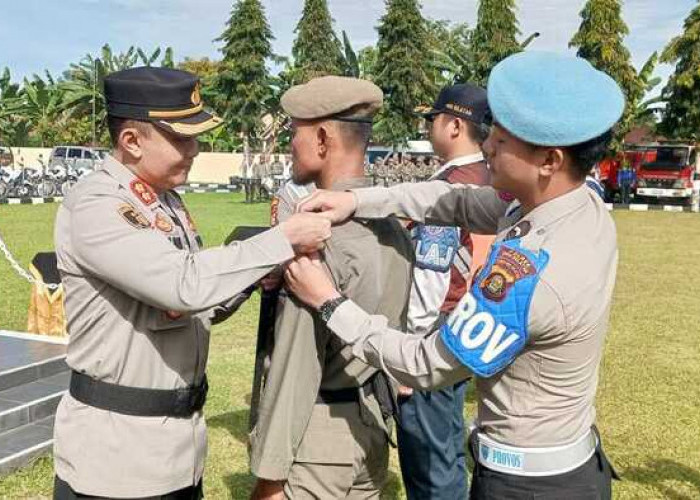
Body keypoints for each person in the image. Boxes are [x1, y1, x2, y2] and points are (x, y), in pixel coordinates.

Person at [285, 52, 624, 499]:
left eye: (502, 141)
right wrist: (358, 202)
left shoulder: (529, 275)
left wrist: (329, 302)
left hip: (527, 487)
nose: (487, 147)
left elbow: (428, 365)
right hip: (564, 465)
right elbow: (457, 202)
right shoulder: (572, 207)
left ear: (549, 160)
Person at [52, 66, 330, 500]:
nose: (196, 149)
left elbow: (193, 305)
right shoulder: (98, 204)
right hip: (117, 461)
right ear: (131, 141)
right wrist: (282, 239)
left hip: (176, 450)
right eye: (181, 138)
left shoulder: (164, 200)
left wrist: (256, 277)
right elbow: (182, 285)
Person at [249, 75, 413, 500]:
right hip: (372, 424)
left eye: (294, 133)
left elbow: (295, 366)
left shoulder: (314, 238)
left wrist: (269, 478)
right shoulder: (392, 226)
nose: (290, 146)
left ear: (322, 139)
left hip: (316, 434)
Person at [395, 83, 493, 500]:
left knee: (430, 465)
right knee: (449, 449)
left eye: (432, 119)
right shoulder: (489, 176)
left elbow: (432, 275)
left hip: (434, 335)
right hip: (466, 329)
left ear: (454, 125)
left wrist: (410, 356)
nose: (429, 127)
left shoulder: (449, 187)